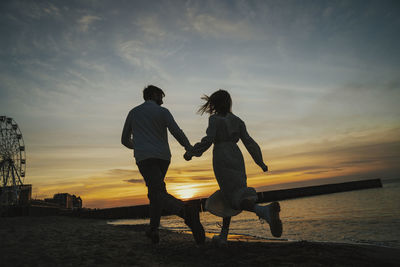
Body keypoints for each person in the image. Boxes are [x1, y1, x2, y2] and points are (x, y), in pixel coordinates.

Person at [184, 89, 282, 246]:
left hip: (222, 158)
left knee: (232, 197)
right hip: (236, 157)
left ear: (214, 104)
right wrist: (260, 162)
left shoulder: (214, 120)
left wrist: (191, 153)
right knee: (229, 196)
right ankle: (224, 235)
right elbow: (249, 142)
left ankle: (263, 211)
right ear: (229, 102)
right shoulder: (238, 120)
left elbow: (208, 140)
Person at [121, 85, 205, 245]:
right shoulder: (163, 112)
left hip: (145, 158)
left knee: (157, 192)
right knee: (155, 192)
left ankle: (186, 212)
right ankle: (153, 230)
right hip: (163, 158)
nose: (163, 99)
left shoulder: (133, 112)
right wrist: (188, 148)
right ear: (153, 94)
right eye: (161, 96)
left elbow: (124, 140)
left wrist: (137, 146)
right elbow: (176, 131)